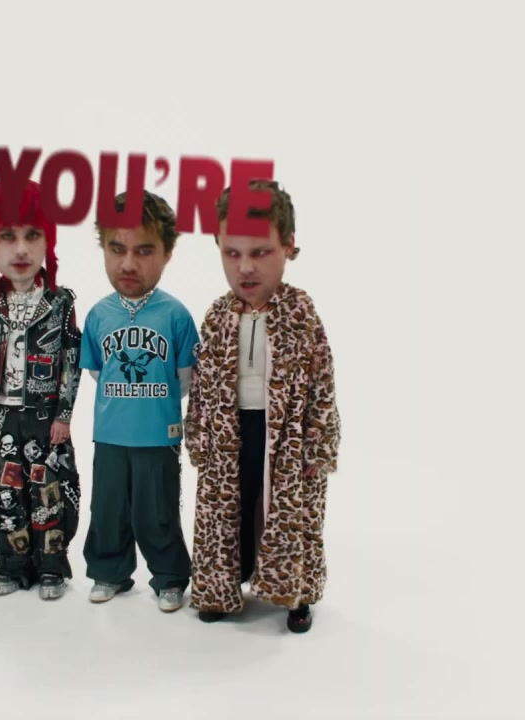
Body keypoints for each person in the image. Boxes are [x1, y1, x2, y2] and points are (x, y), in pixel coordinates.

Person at [185, 179, 341, 633]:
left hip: (287, 439)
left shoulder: (300, 312)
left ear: (288, 246)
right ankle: (221, 585)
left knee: (289, 512)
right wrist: (198, 436)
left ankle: (297, 593)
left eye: (260, 252)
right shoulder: (217, 315)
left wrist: (319, 445)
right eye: (232, 253)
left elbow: (322, 383)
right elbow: (203, 383)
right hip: (231, 433)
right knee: (228, 509)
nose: (245, 267)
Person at [80, 190, 200, 612]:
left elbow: (185, 378)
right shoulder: (98, 315)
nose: (128, 263)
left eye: (144, 250)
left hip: (158, 434)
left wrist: (151, 402)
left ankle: (169, 577)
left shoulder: (176, 315)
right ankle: (109, 572)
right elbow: (97, 372)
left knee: (158, 509)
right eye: (117, 249)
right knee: (108, 507)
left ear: (167, 253)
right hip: (110, 434)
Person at [0, 180, 84, 601]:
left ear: (47, 241)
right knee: (7, 490)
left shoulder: (60, 302)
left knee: (47, 488)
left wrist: (64, 415)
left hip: (44, 415)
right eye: (7, 236)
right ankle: (12, 562)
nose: (20, 250)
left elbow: (70, 362)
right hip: (3, 415)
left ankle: (51, 563)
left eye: (32, 235)